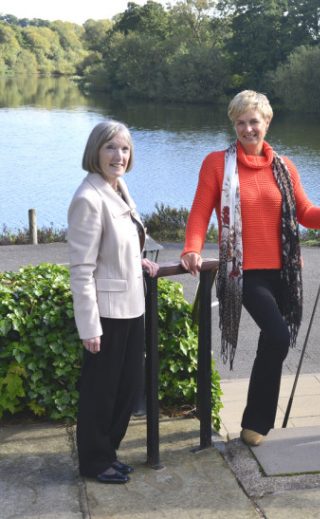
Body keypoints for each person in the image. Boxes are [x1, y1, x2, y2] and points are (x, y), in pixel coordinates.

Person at [181, 90, 320, 447]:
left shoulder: (285, 167)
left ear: (267, 122)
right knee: (277, 336)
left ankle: (256, 424)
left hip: (284, 271)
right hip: (243, 270)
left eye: (253, 122)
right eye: (240, 123)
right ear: (234, 125)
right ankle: (257, 421)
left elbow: (305, 212)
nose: (247, 129)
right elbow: (200, 210)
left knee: (273, 342)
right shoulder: (217, 164)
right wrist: (191, 249)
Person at [69, 121, 159, 484]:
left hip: (132, 305)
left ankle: (108, 452)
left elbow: (118, 243)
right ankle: (94, 461)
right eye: (110, 148)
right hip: (106, 314)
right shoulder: (88, 198)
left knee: (127, 388)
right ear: (95, 151)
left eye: (124, 149)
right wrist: (89, 326)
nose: (118, 156)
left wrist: (138, 260)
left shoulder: (118, 187)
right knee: (101, 393)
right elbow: (82, 269)